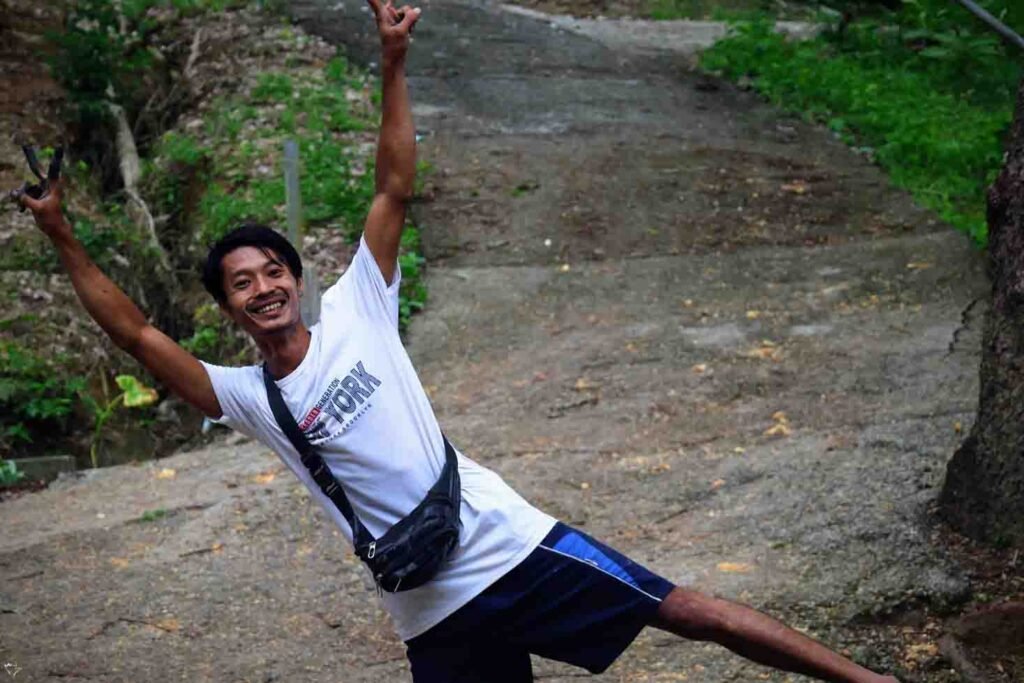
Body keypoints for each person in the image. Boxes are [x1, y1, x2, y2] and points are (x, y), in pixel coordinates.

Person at [12, 2, 901, 681]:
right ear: (231, 310)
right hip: (426, 604)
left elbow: (393, 187)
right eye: (242, 283)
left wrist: (394, 60)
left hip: (506, 540)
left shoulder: (361, 305)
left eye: (273, 270)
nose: (263, 286)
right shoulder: (248, 397)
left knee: (687, 610)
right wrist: (60, 232)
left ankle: (865, 678)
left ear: (297, 277)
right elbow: (132, 331)